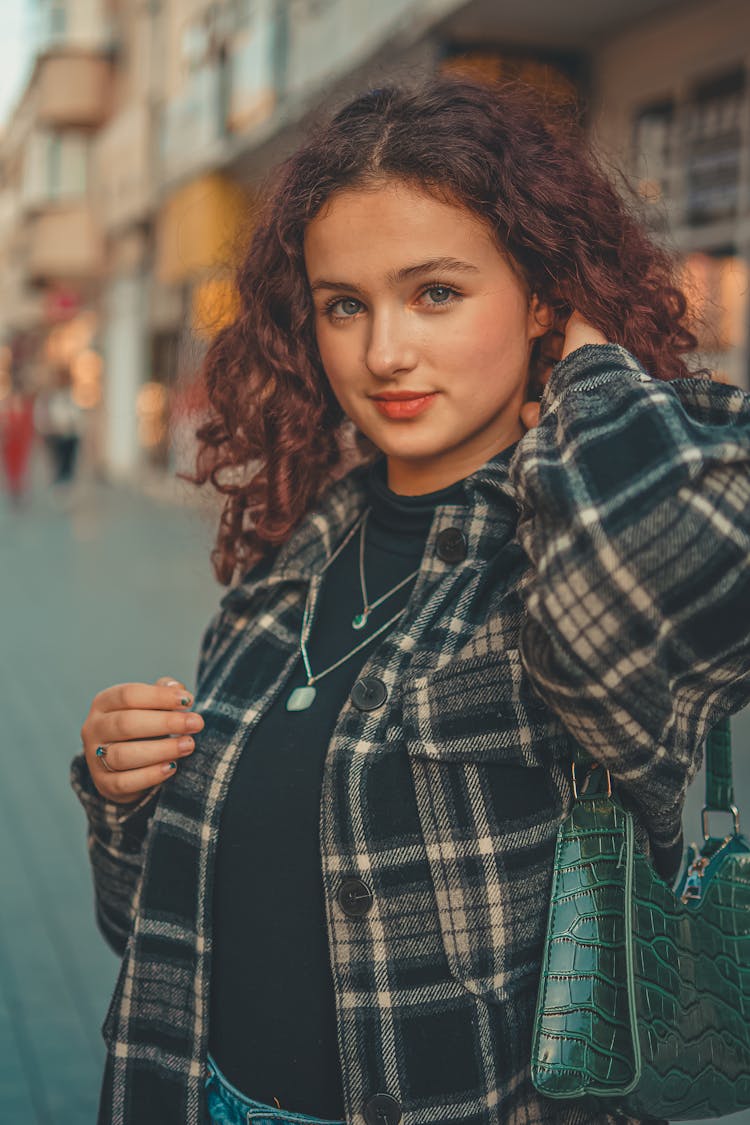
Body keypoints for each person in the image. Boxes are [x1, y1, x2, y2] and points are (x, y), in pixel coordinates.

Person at [71, 77, 750, 1125]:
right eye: (346, 304)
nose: (383, 352)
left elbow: (674, 568)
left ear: (539, 299)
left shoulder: (571, 543)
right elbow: (156, 932)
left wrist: (594, 376)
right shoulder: (293, 555)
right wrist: (124, 799)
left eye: (435, 293)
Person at [0, 385, 35, 507]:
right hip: (10, 446)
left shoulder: (25, 412)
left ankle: (20, 491)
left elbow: (29, 429)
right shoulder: (6, 414)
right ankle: (13, 491)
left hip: (21, 446)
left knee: (21, 468)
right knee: (12, 470)